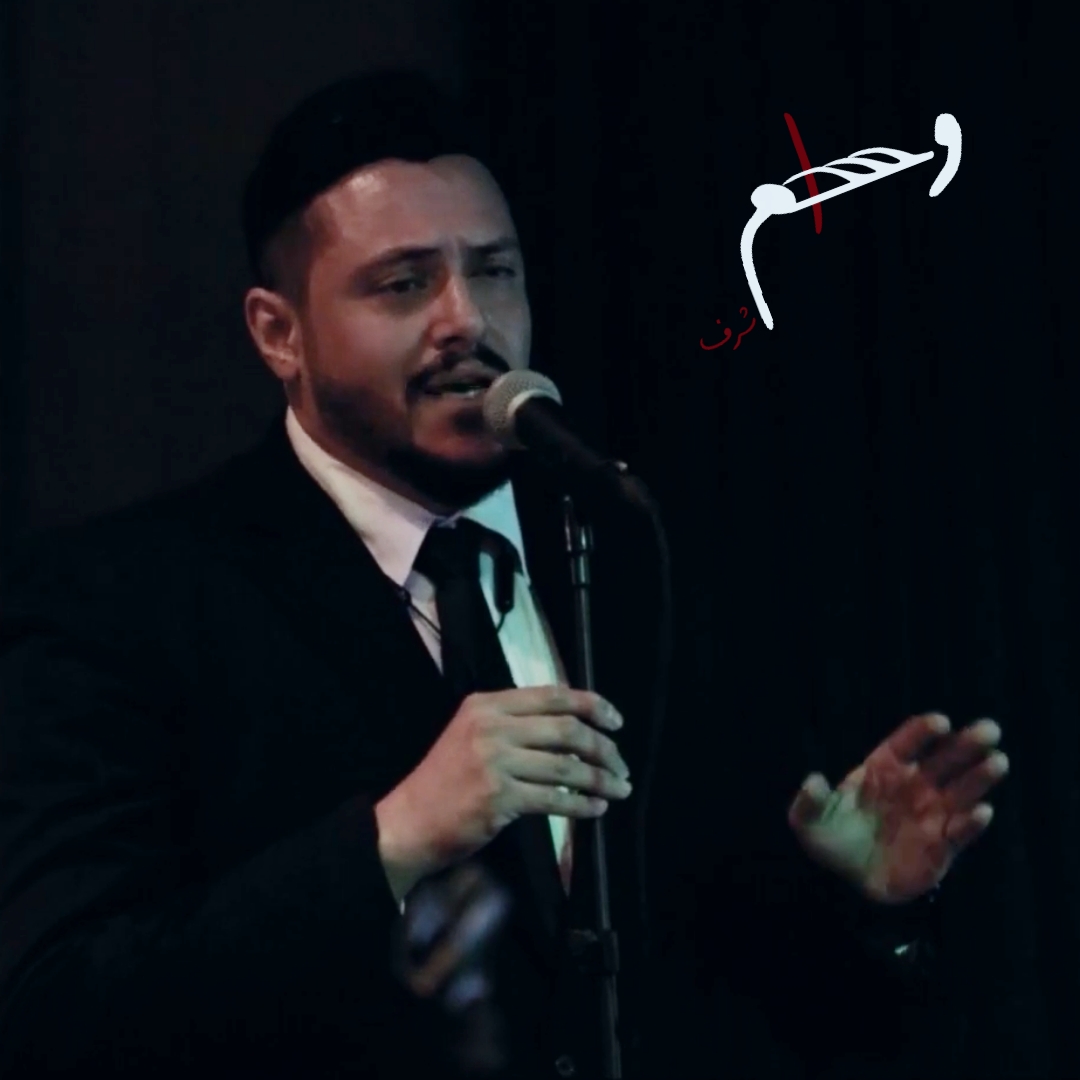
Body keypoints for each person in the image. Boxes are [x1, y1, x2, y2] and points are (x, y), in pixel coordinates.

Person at [0, 71, 1007, 1079]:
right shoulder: (120, 602)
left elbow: (725, 999)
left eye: (494, 272)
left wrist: (860, 907)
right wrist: (391, 840)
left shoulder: (636, 556)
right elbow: (57, 1011)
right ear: (279, 333)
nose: (466, 321)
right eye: (403, 284)